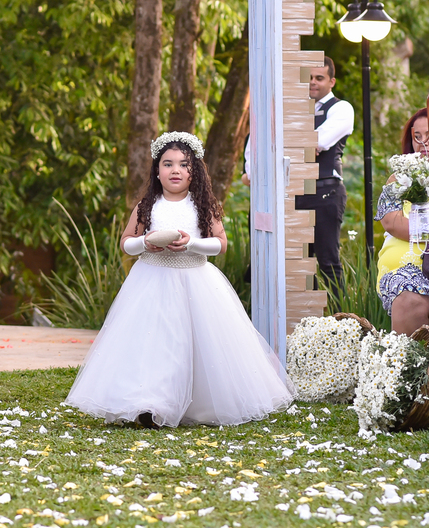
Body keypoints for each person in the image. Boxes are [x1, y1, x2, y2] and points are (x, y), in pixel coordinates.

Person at [64, 132, 296, 427]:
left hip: (195, 281)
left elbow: (220, 244)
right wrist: (144, 243)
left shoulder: (203, 206)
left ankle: (195, 404)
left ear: (194, 171)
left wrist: (192, 244)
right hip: (151, 280)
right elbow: (126, 242)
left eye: (183, 164)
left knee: (193, 344)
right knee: (153, 342)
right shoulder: (147, 206)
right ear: (156, 171)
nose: (175, 170)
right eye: (167, 164)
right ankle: (148, 403)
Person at [376, 106, 429, 335]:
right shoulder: (400, 177)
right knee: (407, 299)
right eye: (417, 137)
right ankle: (414, 366)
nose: (424, 143)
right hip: (402, 266)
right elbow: (391, 221)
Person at [294, 57, 352, 287]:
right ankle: (307, 317)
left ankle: (341, 319)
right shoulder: (296, 111)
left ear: (332, 81)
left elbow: (318, 141)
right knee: (297, 262)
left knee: (328, 261)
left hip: (326, 190)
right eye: (308, 78)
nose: (313, 82)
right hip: (297, 192)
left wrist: (299, 145)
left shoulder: (341, 108)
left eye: (319, 77)